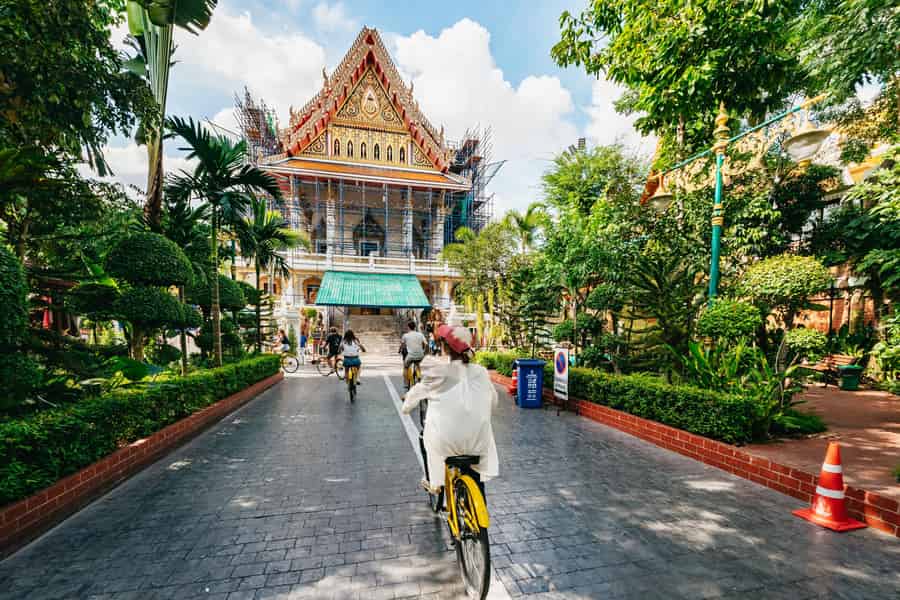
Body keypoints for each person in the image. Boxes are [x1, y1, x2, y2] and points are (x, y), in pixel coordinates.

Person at [401, 324, 498, 494]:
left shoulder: (437, 372)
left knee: (425, 438)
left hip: (446, 441)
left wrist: (406, 407)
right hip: (478, 441)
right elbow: (493, 401)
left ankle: (435, 483)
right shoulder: (481, 372)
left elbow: (414, 394)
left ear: (446, 349)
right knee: (474, 470)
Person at [401, 320, 427, 387]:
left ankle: (406, 383)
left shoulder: (405, 335)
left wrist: (401, 349)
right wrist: (424, 351)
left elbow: (403, 346)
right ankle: (419, 377)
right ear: (415, 327)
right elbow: (426, 344)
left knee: (405, 367)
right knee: (417, 364)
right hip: (420, 355)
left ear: (408, 327)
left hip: (411, 355)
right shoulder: (420, 334)